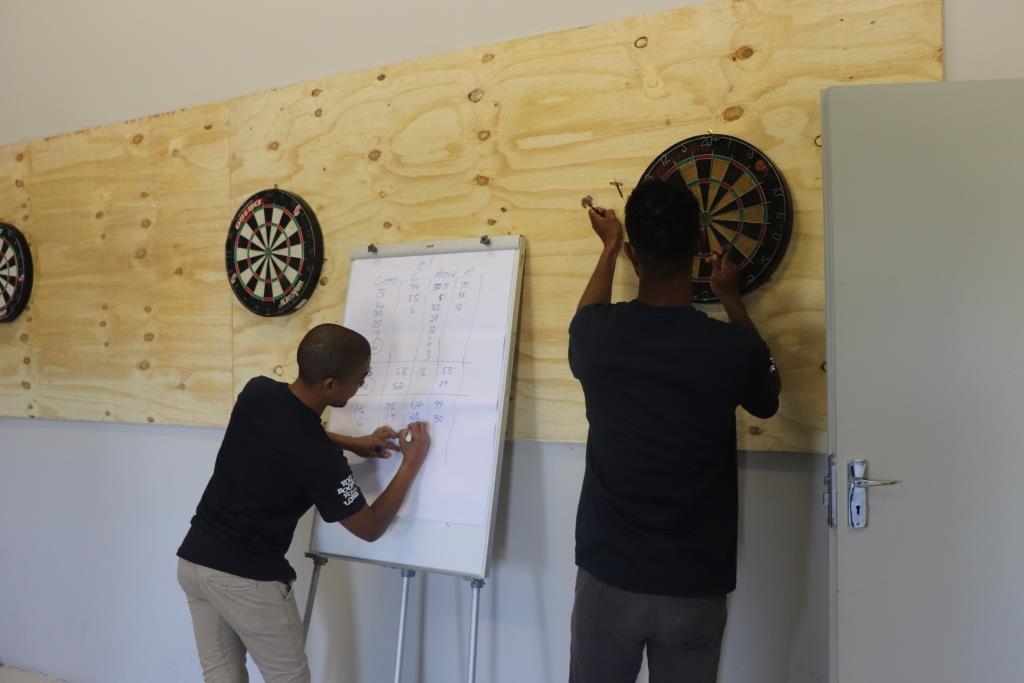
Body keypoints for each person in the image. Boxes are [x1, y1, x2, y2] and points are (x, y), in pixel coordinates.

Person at [567, 180, 781, 683]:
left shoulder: (596, 337)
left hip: (607, 579)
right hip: (694, 586)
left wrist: (609, 246)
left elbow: (586, 313)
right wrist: (731, 299)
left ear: (636, 256)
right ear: (695, 251)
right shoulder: (732, 348)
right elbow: (767, 400)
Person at [176, 323, 430, 683]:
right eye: (359, 378)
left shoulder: (258, 391)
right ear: (330, 386)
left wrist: (349, 441)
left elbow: (291, 431)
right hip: (244, 578)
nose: (361, 385)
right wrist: (411, 463)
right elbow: (369, 527)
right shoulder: (320, 458)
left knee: (221, 677)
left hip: (194, 562)